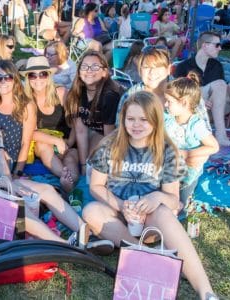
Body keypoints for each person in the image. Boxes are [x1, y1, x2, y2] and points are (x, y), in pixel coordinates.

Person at [82, 91, 218, 300]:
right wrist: (120, 205)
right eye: (131, 119)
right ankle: (147, 253)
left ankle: (206, 291)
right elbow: (96, 186)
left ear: (155, 120)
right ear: (123, 119)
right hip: (118, 217)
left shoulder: (167, 150)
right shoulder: (109, 145)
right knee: (90, 211)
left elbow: (174, 200)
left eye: (143, 119)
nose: (136, 125)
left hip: (150, 222)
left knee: (164, 212)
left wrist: (157, 198)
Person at [0, 90, 113, 252]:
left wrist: (9, 182)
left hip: (2, 183)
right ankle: (64, 245)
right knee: (15, 206)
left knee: (47, 190)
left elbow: (3, 164)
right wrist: (8, 186)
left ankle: (86, 234)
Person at [174, 31, 230, 146]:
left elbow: (222, 92)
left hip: (214, 109)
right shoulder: (184, 66)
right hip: (194, 107)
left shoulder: (216, 65)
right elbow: (176, 93)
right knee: (220, 83)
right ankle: (221, 135)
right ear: (205, 45)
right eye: (217, 45)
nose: (220, 48)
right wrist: (198, 99)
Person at [164, 74, 219, 215]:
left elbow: (214, 147)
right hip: (169, 169)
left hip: (189, 173)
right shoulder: (168, 119)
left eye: (169, 101)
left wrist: (186, 154)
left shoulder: (196, 125)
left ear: (183, 103)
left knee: (180, 204)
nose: (165, 104)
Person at [22, 56, 79, 193]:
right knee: (43, 147)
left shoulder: (61, 93)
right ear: (28, 79)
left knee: (71, 157)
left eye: (42, 74)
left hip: (67, 141)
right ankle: (64, 177)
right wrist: (56, 141)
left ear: (48, 76)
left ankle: (69, 182)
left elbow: (76, 121)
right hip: (44, 142)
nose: (38, 79)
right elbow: (31, 132)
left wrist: (69, 142)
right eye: (32, 75)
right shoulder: (27, 100)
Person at [65, 51, 123, 174]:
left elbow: (109, 136)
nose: (89, 70)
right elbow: (81, 131)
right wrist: (83, 165)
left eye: (95, 67)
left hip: (115, 136)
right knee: (82, 163)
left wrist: (90, 163)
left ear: (104, 72)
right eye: (84, 66)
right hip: (93, 132)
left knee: (94, 161)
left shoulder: (109, 96)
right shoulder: (76, 93)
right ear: (79, 71)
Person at [0, 60, 36, 177]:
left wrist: (17, 172)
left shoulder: (26, 106)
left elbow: (26, 143)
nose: (3, 81)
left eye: (8, 77)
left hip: (11, 158)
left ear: (15, 80)